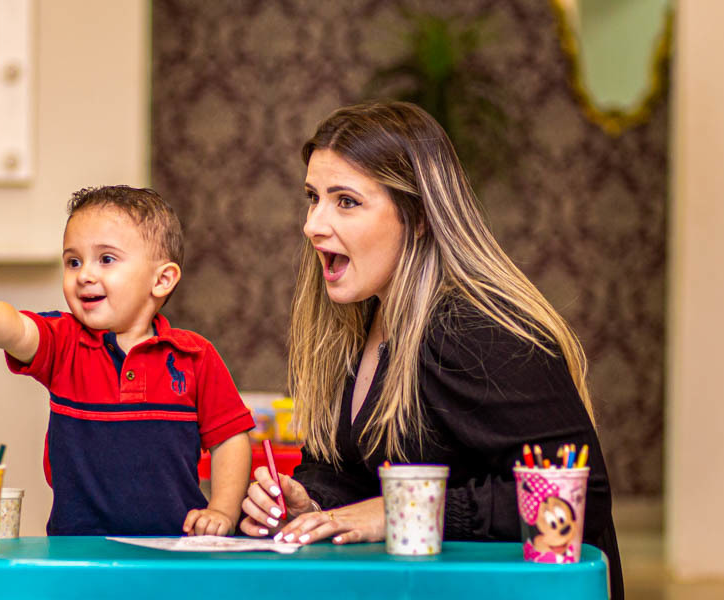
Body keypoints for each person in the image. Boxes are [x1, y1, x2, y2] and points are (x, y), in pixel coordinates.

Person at [239, 102, 623, 598]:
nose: (312, 224)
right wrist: (309, 502)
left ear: (418, 216)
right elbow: (348, 471)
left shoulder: (474, 330)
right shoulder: (359, 320)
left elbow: (580, 497)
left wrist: (404, 508)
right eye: (313, 198)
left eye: (346, 201)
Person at [0, 186, 254, 537]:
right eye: (73, 261)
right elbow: (14, 327)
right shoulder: (64, 343)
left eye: (106, 259)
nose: (84, 275)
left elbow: (230, 438)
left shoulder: (195, 356)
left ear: (162, 279)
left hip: (173, 546)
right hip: (76, 547)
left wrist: (222, 510)